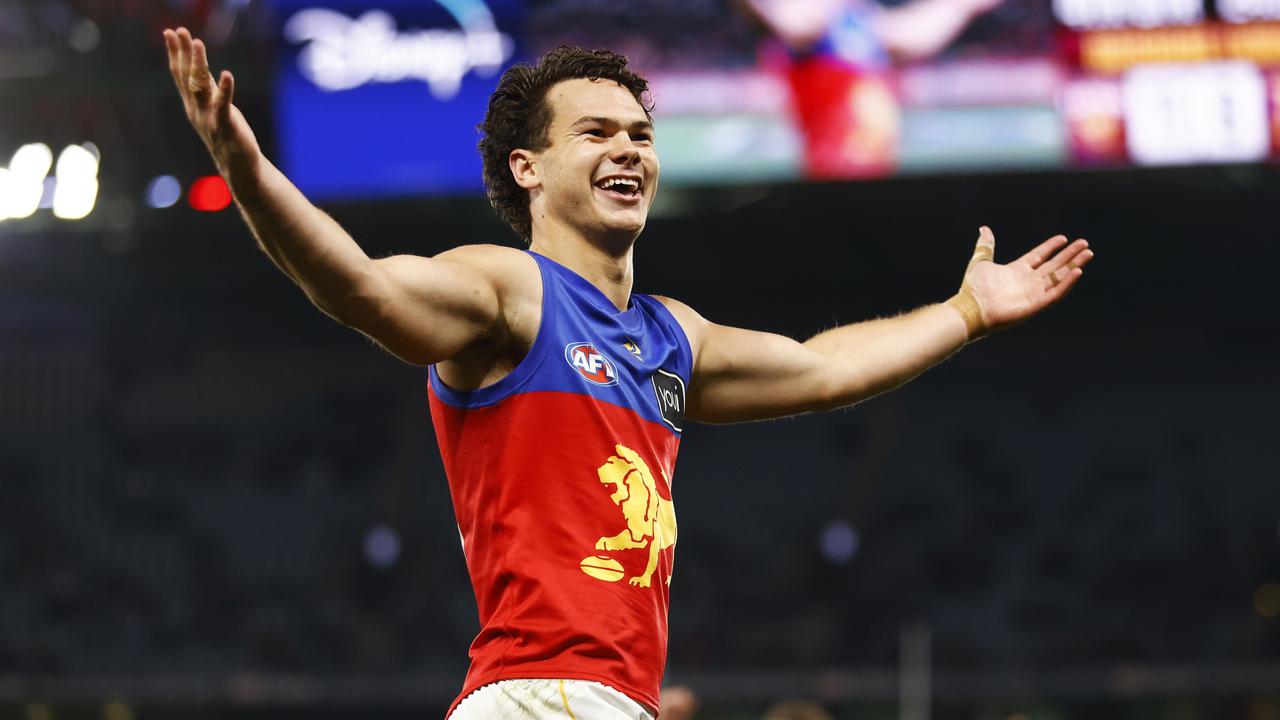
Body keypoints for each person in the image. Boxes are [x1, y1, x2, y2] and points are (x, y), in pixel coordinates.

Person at [162, 27, 1092, 720]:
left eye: (642, 134)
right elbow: (360, 287)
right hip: (535, 698)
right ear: (527, 168)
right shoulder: (508, 289)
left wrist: (966, 313)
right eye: (597, 132)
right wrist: (246, 168)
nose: (630, 150)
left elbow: (819, 368)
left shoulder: (669, 337)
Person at [741, 0, 1005, 177]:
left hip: (877, 172)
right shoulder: (813, 23)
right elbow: (795, 22)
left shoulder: (861, 21)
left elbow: (911, 33)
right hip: (834, 177)